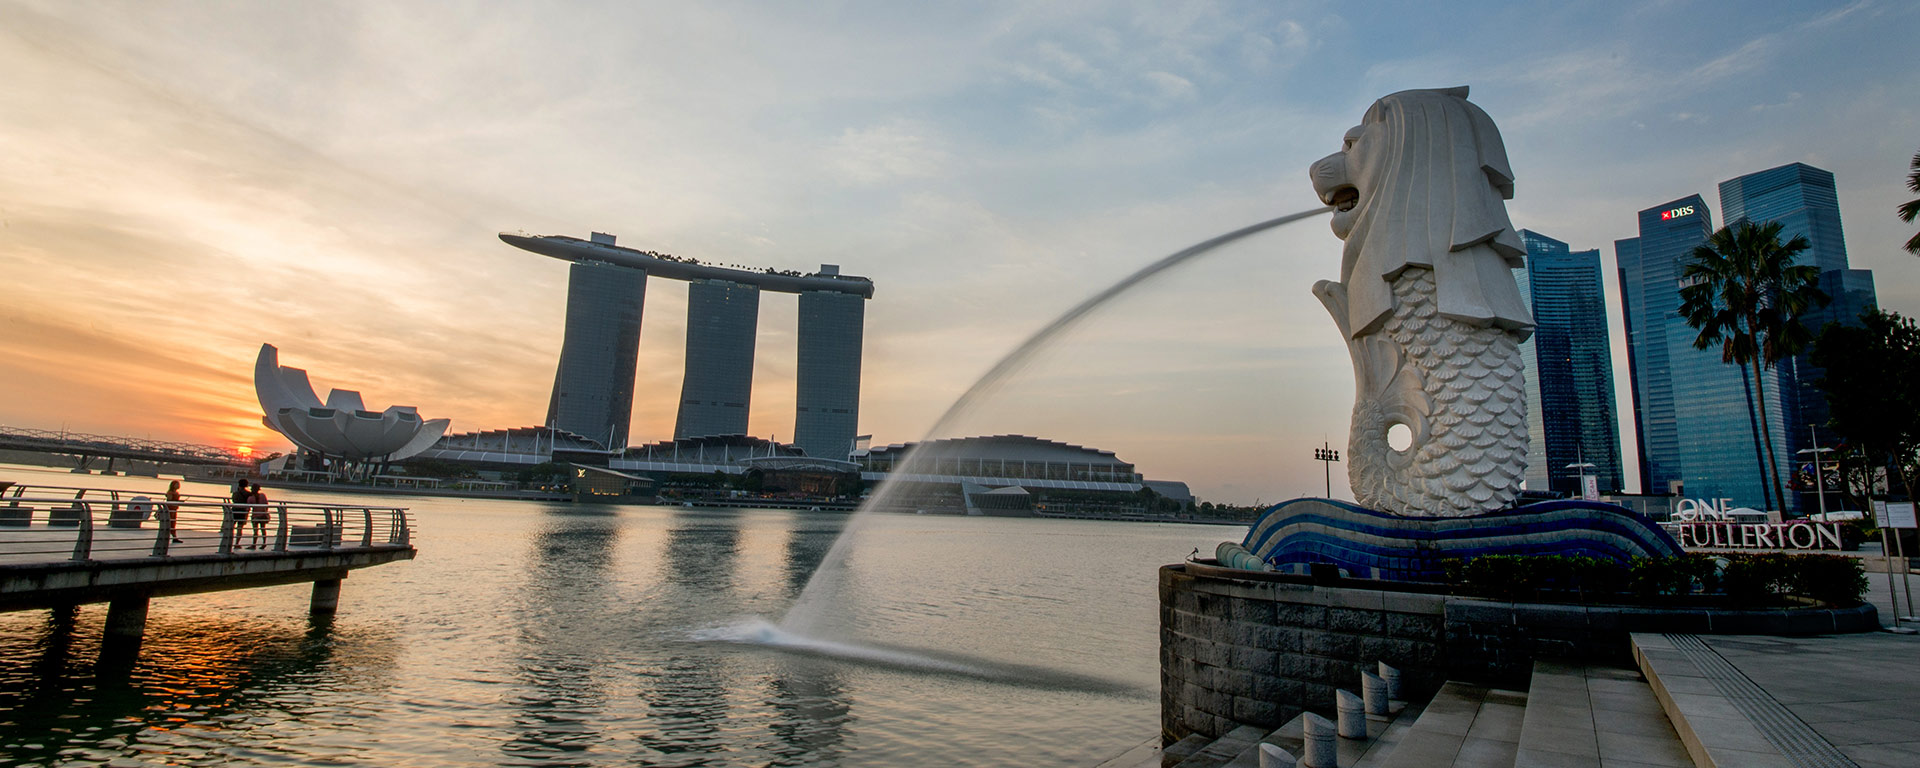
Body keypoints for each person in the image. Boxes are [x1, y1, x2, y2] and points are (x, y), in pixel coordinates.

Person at [230, 479, 253, 549]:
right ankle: (237, 543)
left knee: (231, 527)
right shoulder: (248, 494)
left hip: (234, 510)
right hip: (242, 511)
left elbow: (233, 500)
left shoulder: (235, 493)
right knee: (240, 528)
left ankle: (229, 542)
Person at [249, 483, 271, 549]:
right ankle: (264, 543)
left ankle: (254, 544)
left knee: (255, 531)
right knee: (263, 529)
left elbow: (248, 508)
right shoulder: (263, 495)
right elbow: (266, 505)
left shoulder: (250, 498)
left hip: (255, 516)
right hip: (263, 515)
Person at [163, 480, 184, 544]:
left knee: (173, 523)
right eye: (177, 484)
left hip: (174, 509)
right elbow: (169, 501)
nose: (178, 486)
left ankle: (174, 537)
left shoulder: (176, 492)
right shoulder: (170, 492)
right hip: (170, 509)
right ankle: (172, 537)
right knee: (170, 523)